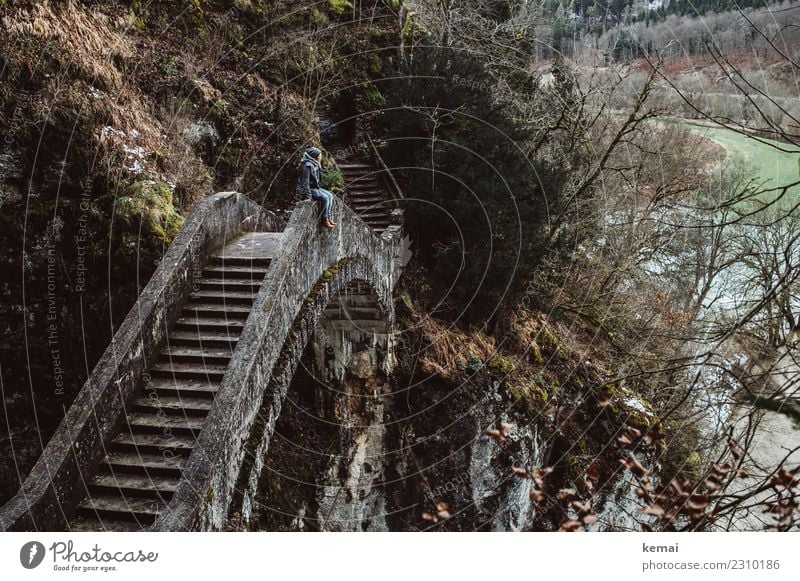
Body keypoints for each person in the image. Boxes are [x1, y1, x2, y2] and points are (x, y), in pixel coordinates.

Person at [297, 146, 336, 229]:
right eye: (320, 155)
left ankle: (328, 217)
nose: (321, 157)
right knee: (325, 197)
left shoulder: (315, 164)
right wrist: (308, 196)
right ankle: (324, 219)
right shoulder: (307, 166)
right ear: (314, 157)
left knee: (330, 195)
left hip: (315, 187)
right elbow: (305, 182)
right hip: (307, 190)